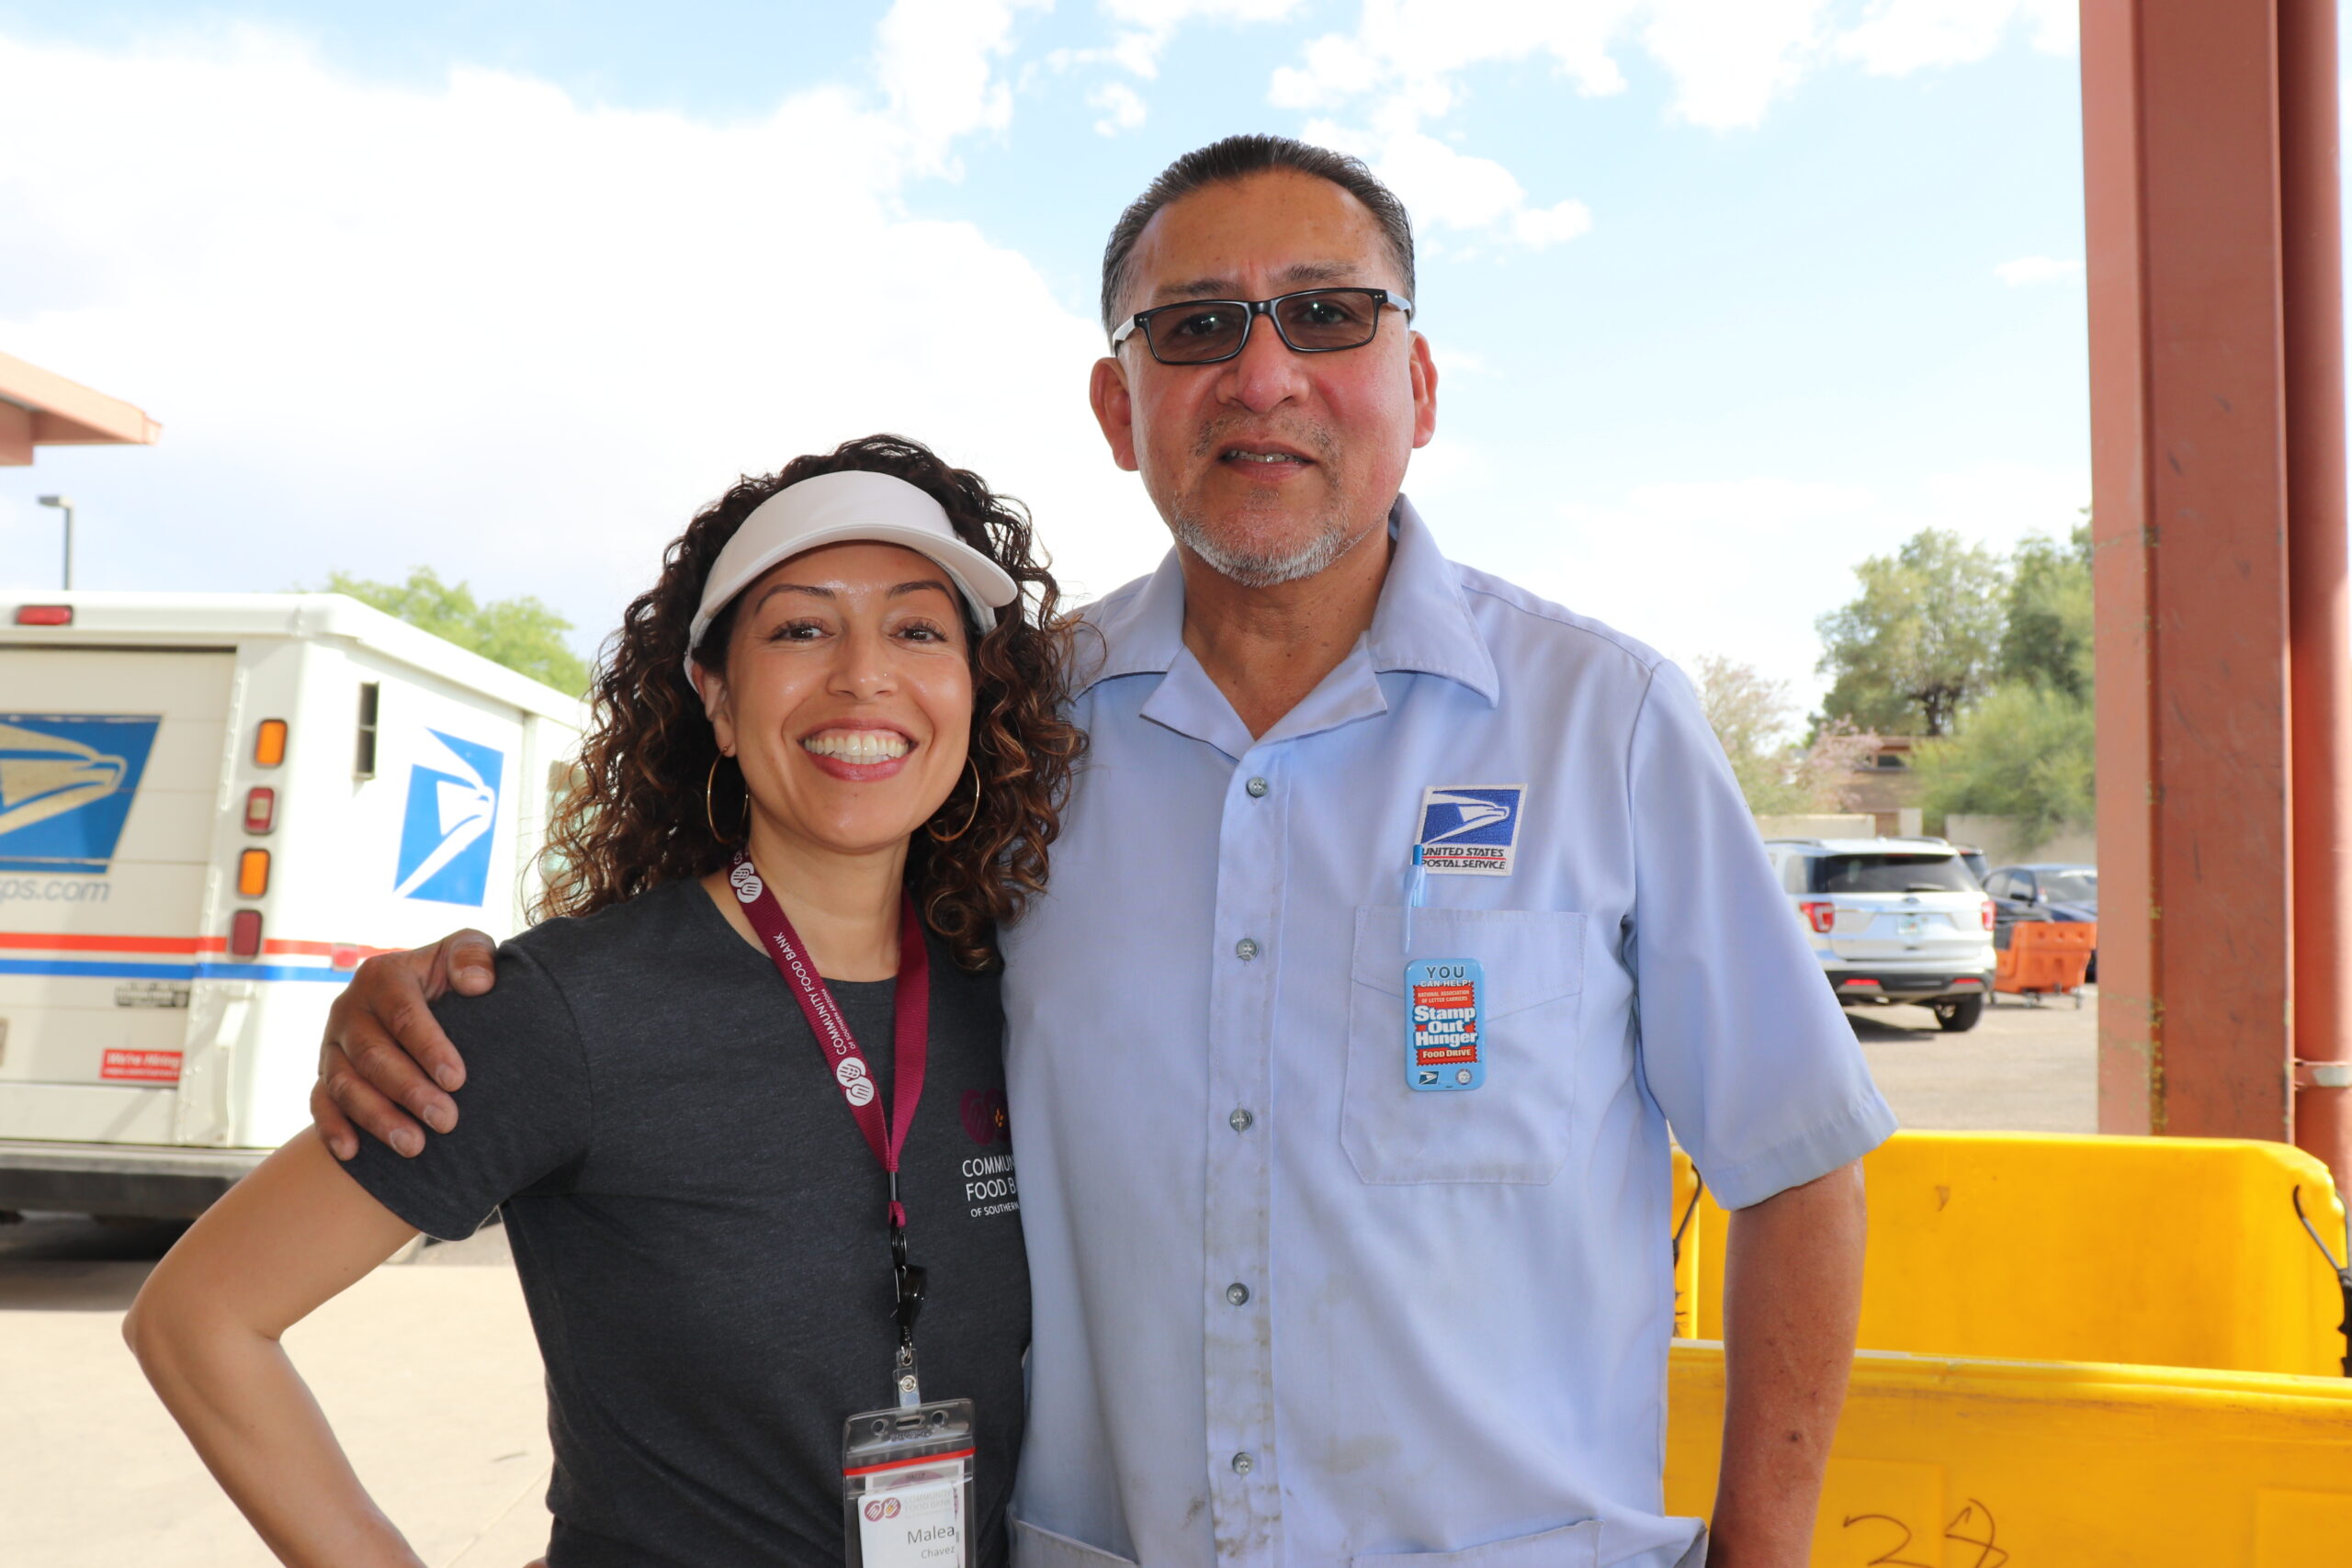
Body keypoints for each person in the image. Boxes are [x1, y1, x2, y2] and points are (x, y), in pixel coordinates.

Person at [317, 138, 1895, 1568]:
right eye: (1196, 326)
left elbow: (1799, 1161)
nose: (1263, 373)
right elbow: (784, 925)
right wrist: (460, 1004)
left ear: (1418, 384)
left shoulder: (1605, 723)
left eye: (1327, 315)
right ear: (1117, 406)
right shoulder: (1013, 735)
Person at [128, 434, 1085, 1568]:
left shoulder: (1019, 995)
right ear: (716, 697)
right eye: (800, 629)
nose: (863, 674)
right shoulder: (565, 1012)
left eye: (918, 630)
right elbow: (199, 1320)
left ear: (976, 691)